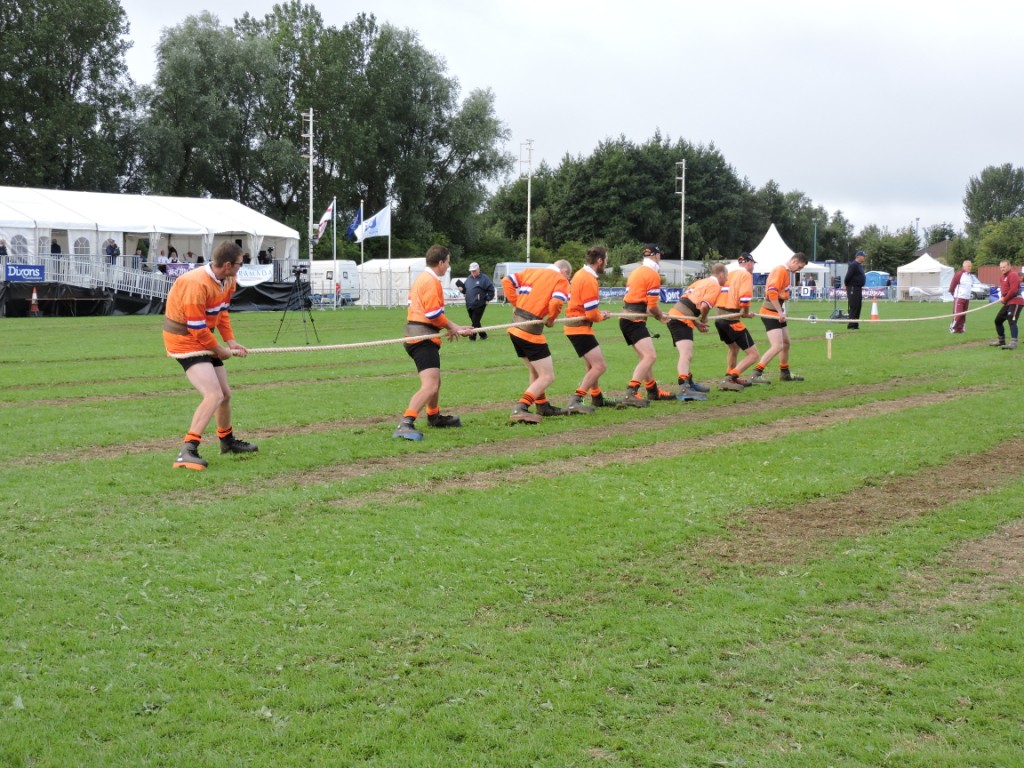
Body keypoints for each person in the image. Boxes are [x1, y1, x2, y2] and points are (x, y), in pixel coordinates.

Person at [162, 241, 258, 470]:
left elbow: (221, 313)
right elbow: (195, 326)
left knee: (225, 395)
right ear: (227, 265)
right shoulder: (196, 283)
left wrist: (230, 341)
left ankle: (227, 441)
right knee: (213, 395)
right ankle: (187, 451)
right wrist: (220, 350)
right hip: (184, 341)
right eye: (240, 264)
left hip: (203, 337)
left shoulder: (228, 280)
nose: (241, 267)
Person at [392, 245, 471, 440]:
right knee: (430, 385)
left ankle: (434, 416)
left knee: (436, 382)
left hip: (419, 335)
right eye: (448, 262)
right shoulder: (431, 281)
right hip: (422, 338)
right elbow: (433, 314)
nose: (448, 266)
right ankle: (406, 423)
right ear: (441, 262)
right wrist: (452, 327)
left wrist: (452, 327)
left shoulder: (422, 278)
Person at [503, 260, 576, 422]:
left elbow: (506, 281)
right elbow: (557, 302)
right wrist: (551, 319)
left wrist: (516, 304)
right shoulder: (561, 280)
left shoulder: (531, 271)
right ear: (565, 271)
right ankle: (520, 408)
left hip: (515, 328)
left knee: (535, 371)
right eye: (569, 276)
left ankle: (542, 406)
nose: (568, 279)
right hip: (530, 332)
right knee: (547, 376)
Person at [618, 243, 673, 406]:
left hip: (626, 319)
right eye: (659, 255)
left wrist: (658, 315)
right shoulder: (653, 275)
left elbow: (643, 304)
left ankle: (652, 390)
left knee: (645, 357)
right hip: (634, 321)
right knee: (650, 356)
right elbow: (652, 307)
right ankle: (631, 392)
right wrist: (660, 316)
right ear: (656, 255)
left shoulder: (636, 272)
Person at [564, 245, 618, 410]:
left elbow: (587, 308)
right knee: (599, 366)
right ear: (599, 261)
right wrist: (601, 316)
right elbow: (591, 314)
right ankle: (576, 400)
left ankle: (597, 397)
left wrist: (598, 313)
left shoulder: (580, 274)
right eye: (606, 260)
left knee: (591, 365)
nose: (606, 264)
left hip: (577, 327)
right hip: (579, 329)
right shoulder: (588, 279)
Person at [666, 263, 728, 399]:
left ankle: (689, 382)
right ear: (721, 275)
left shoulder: (700, 282)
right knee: (686, 354)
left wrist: (696, 323)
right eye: (726, 276)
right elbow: (704, 306)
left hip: (679, 316)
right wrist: (704, 317)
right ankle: (684, 387)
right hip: (680, 319)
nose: (727, 279)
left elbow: (688, 302)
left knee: (687, 354)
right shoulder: (715, 286)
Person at [751, 252, 809, 383]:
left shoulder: (785, 272)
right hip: (770, 313)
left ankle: (784, 373)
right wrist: (779, 312)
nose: (799, 270)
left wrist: (781, 312)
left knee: (786, 343)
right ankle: (756, 373)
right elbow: (772, 292)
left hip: (776, 312)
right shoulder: (780, 270)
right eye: (800, 267)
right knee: (777, 346)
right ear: (794, 261)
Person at [715, 253, 762, 391]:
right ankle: (730, 378)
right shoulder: (746, 275)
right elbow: (745, 298)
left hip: (719, 318)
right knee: (753, 355)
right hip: (731, 320)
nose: (753, 266)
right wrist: (746, 313)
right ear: (749, 262)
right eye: (753, 263)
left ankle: (730, 376)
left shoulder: (730, 274)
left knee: (733, 348)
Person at [990, 260, 1023, 350]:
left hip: (1016, 301)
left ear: (1009, 266)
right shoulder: (1002, 277)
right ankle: (1001, 341)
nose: (1002, 269)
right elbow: (1004, 290)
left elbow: (1013, 290)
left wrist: (1005, 298)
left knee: (1012, 320)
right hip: (1008, 302)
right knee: (998, 321)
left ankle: (1013, 343)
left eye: (1004, 267)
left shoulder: (1013, 275)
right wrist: (1003, 298)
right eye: (1001, 267)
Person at [462, 261, 495, 339]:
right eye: (471, 271)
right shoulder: (468, 278)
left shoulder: (484, 278)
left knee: (475, 321)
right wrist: (462, 290)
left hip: (480, 303)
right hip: (469, 303)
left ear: (478, 269)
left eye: (474, 271)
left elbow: (491, 289)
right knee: (475, 321)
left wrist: (488, 298)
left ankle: (472, 337)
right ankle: (483, 335)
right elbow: (465, 290)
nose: (473, 272)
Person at [948, 260, 973, 334]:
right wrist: (953, 294)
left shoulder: (970, 276)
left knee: (963, 314)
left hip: (967, 298)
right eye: (968, 266)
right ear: (964, 266)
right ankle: (952, 328)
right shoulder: (959, 274)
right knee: (958, 314)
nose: (970, 268)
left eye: (970, 266)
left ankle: (960, 329)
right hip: (959, 297)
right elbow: (953, 284)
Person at [845, 249, 867, 329]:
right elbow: (848, 276)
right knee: (854, 306)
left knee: (858, 306)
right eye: (863, 256)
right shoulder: (853, 265)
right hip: (853, 288)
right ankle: (851, 325)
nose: (864, 257)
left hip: (858, 288)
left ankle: (855, 324)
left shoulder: (860, 266)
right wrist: (847, 285)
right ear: (858, 257)